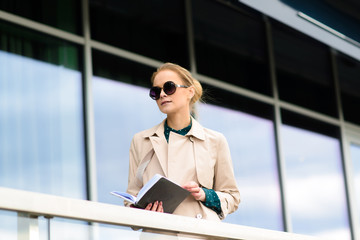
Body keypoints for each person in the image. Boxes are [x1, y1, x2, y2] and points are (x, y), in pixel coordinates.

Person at [126, 62, 240, 222]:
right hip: (158, 233)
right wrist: (143, 212)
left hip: (200, 234)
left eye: (169, 87)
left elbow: (233, 198)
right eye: (156, 91)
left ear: (189, 92)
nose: (162, 95)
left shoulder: (215, 141)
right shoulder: (141, 141)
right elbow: (131, 198)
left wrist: (205, 195)